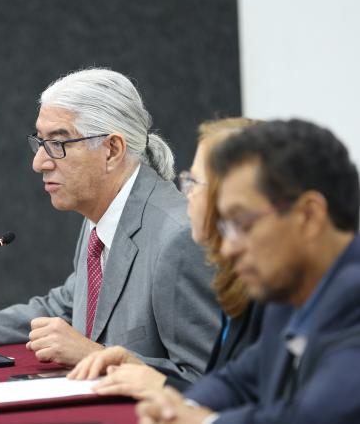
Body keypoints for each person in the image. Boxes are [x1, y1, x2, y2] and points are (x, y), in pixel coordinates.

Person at [0, 68, 219, 380]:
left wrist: (94, 356)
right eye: (40, 143)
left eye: (57, 143)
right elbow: (63, 308)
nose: (39, 162)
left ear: (112, 150)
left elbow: (209, 381)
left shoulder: (179, 238)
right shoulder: (104, 213)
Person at [136, 119, 360, 424]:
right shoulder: (289, 296)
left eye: (242, 223)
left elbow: (314, 417)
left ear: (308, 216)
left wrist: (200, 422)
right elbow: (239, 379)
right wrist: (178, 407)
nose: (228, 248)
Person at [69, 118, 265, 397]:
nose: (187, 195)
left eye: (195, 183)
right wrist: (142, 370)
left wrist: (160, 384)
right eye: (187, 180)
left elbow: (263, 404)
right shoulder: (246, 281)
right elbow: (230, 387)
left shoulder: (284, 299)